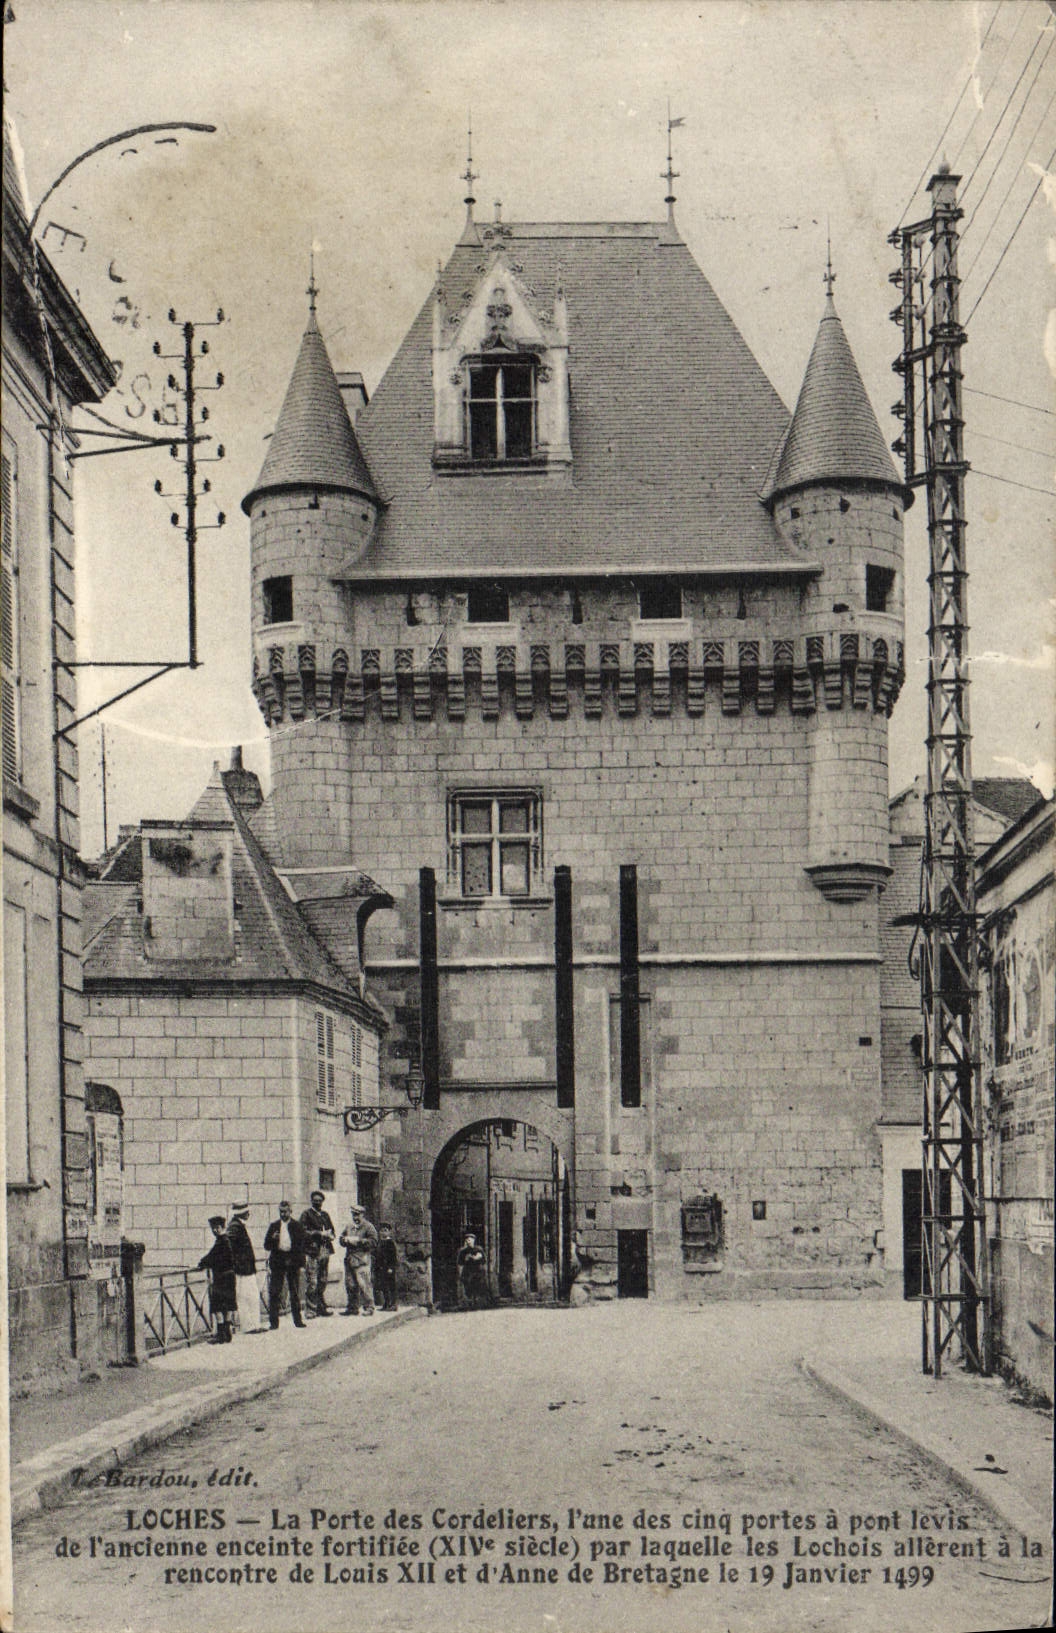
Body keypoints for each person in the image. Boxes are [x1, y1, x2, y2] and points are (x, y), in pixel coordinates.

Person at [263, 1201, 308, 1329]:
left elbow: (301, 1246)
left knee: (294, 1292)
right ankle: (274, 1323)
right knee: (275, 1292)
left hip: (292, 1261)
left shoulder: (297, 1226)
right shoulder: (274, 1226)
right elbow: (266, 1245)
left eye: (285, 1211)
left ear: (290, 1211)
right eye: (281, 1212)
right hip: (278, 1261)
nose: (283, 1214)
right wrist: (273, 1238)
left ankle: (297, 1321)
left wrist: (298, 1262)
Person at [197, 1215, 237, 1343]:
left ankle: (221, 1334)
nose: (215, 1230)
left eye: (217, 1228)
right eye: (213, 1228)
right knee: (228, 1304)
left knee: (218, 1305)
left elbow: (212, 1257)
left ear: (222, 1227)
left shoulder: (221, 1241)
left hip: (221, 1277)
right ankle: (227, 1332)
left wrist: (202, 1263)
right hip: (230, 1276)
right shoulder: (227, 1240)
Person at [227, 1202, 264, 1333]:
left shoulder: (237, 1226)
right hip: (243, 1270)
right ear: (241, 1213)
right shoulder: (235, 1227)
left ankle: (254, 1325)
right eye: (247, 1211)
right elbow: (230, 1246)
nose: (249, 1213)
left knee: (251, 1296)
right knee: (245, 1297)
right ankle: (249, 1326)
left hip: (247, 1269)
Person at [299, 1191, 336, 1317]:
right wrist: (319, 1234)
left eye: (320, 1200)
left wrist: (331, 1235)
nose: (317, 1202)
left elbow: (332, 1230)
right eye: (315, 1200)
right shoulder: (306, 1214)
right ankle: (310, 1309)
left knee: (323, 1280)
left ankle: (321, 1307)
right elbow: (302, 1231)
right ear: (311, 1201)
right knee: (312, 1281)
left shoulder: (325, 1215)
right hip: (312, 1251)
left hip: (325, 1250)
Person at [339, 1204, 378, 1315]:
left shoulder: (368, 1226)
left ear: (362, 1215)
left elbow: (374, 1241)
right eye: (353, 1215)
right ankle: (352, 1308)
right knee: (350, 1284)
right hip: (350, 1258)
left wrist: (360, 1241)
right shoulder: (349, 1226)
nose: (355, 1217)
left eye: (357, 1215)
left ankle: (369, 1308)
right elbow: (341, 1238)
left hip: (362, 1259)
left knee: (364, 1284)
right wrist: (344, 1240)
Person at [456, 1232, 488, 1310]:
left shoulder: (479, 1249)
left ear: (474, 1240)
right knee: (468, 1287)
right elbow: (460, 1262)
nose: (468, 1241)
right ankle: (470, 1302)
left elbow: (484, 1260)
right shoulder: (463, 1251)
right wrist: (466, 1259)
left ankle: (477, 1303)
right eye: (467, 1240)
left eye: (470, 1239)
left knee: (478, 1286)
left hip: (477, 1271)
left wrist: (477, 1257)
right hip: (468, 1271)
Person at [374, 1223, 399, 1311]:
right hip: (381, 1268)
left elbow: (393, 1257)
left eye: (385, 1231)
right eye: (381, 1231)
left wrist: (391, 1268)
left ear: (389, 1232)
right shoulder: (380, 1243)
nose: (383, 1233)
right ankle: (386, 1303)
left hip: (388, 1268)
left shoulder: (390, 1243)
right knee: (383, 1286)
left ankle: (393, 1304)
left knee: (391, 1285)